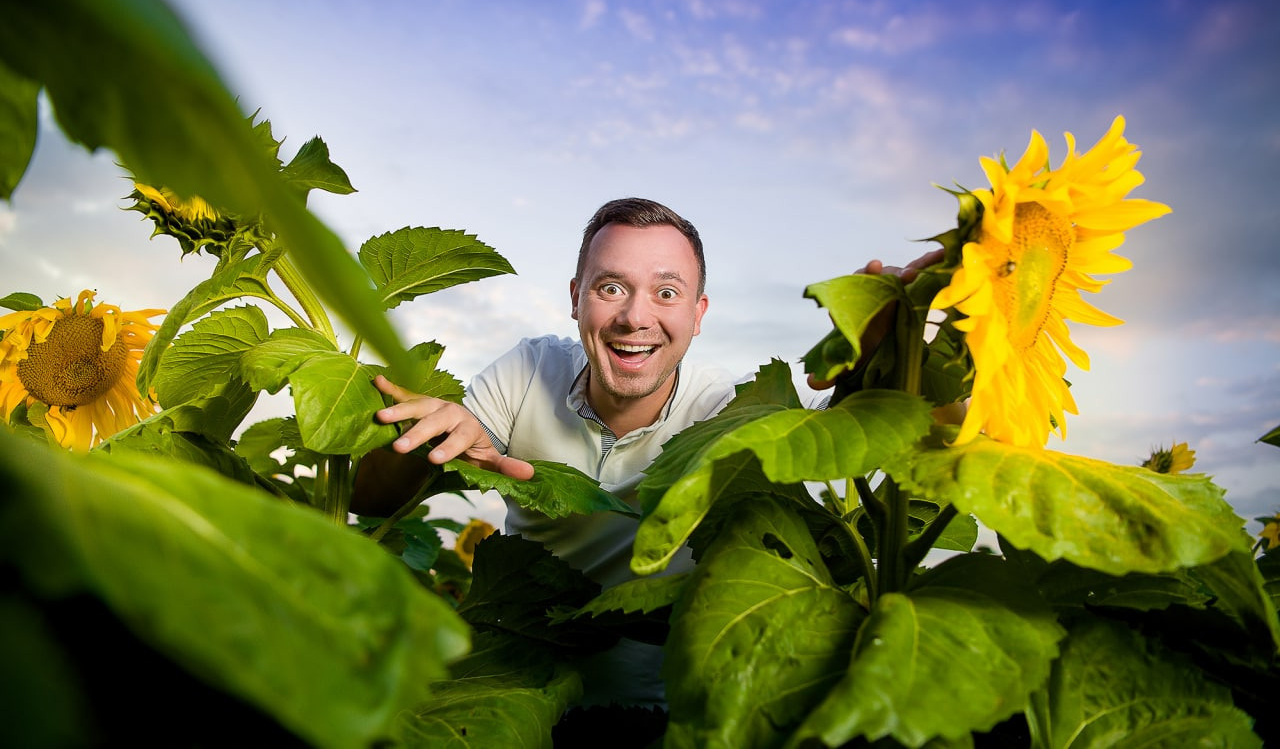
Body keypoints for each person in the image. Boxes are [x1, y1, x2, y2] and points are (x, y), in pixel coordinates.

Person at [363, 197, 935, 715]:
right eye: (611, 287)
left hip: (663, 717)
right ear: (575, 298)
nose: (635, 317)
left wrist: (885, 360)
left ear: (698, 314)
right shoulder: (529, 370)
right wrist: (430, 447)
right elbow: (373, 497)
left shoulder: (727, 408)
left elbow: (846, 423)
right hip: (516, 692)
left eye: (666, 293)